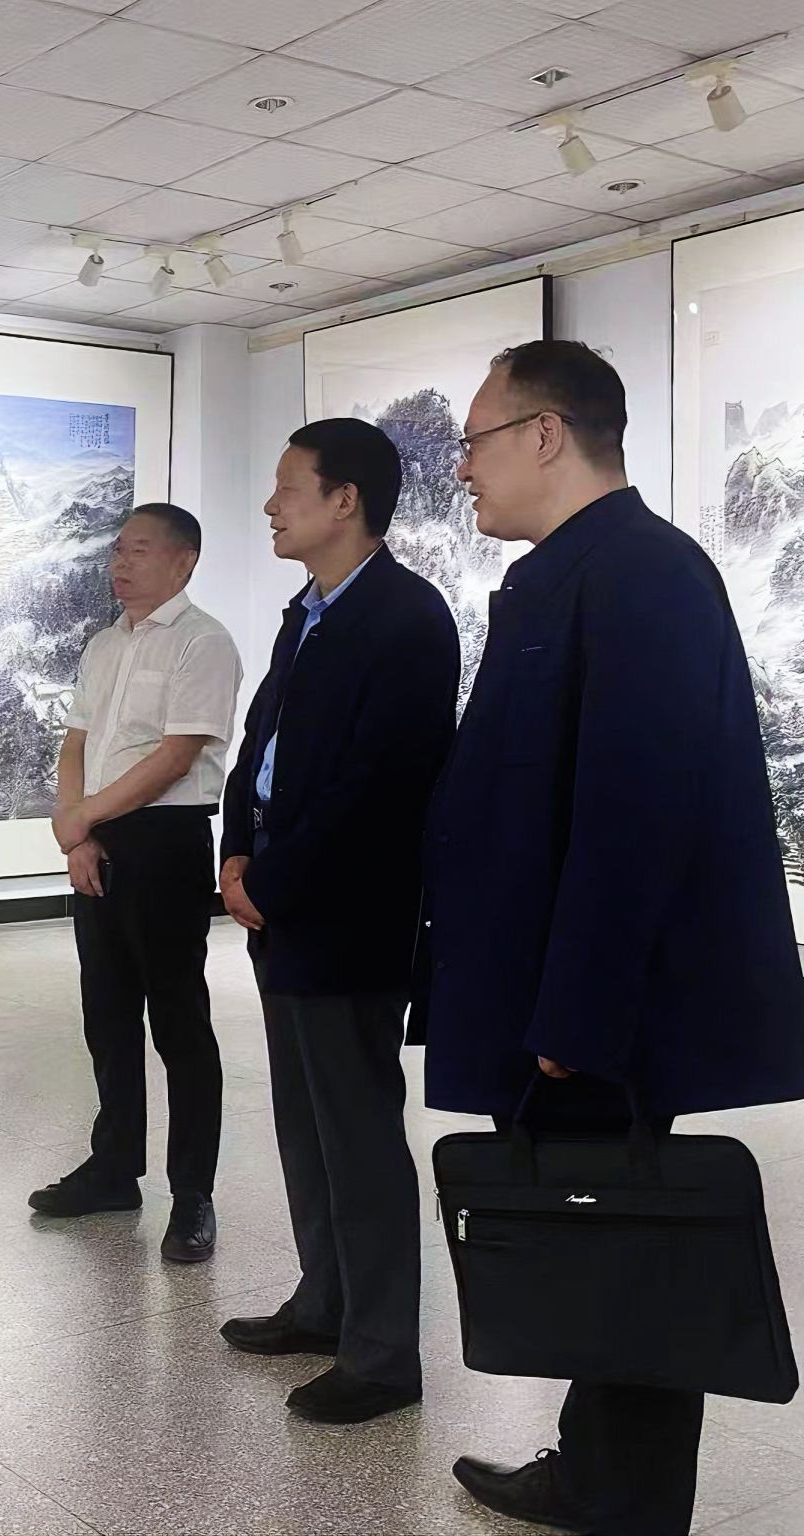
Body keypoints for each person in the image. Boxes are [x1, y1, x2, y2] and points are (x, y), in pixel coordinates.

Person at [424, 341, 804, 1534]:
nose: (461, 469)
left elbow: (634, 811)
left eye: (474, 441)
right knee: (596, 1236)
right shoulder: (577, 570)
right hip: (557, 991)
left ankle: (625, 1503)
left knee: (626, 1239)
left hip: (598, 1008)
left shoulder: (641, 572)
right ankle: (590, 1470)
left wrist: (577, 1014)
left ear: (543, 433)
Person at [217, 419, 459, 1425]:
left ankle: (382, 1355)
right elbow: (258, 746)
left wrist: (273, 880)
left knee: (356, 1133)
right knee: (303, 1123)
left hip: (347, 915)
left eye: (288, 487)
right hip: (279, 902)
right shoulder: (306, 612)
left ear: (344, 499)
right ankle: (323, 1304)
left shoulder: (407, 619)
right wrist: (235, 850)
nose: (271, 506)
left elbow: (378, 788)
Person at [33, 503, 243, 1265]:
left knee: (179, 1022)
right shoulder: (104, 643)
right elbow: (78, 741)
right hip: (100, 837)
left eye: (140, 551)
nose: (120, 564)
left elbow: (177, 755)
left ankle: (193, 1195)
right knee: (108, 1013)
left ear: (184, 561)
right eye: (118, 551)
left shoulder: (203, 642)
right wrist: (78, 831)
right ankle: (114, 1168)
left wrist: (82, 817)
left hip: (166, 840)